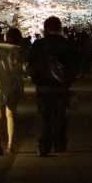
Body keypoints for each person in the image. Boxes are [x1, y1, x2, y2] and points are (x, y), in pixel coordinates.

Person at [28, 16, 80, 156]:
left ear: (45, 28)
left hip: (43, 86)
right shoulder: (67, 44)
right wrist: (68, 82)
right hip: (61, 87)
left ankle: (44, 146)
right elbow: (74, 66)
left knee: (44, 117)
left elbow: (31, 65)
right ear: (59, 27)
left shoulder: (39, 44)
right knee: (60, 115)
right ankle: (59, 143)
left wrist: (36, 79)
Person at [0, 26, 26, 155]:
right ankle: (10, 145)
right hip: (12, 86)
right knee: (10, 116)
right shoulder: (17, 50)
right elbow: (20, 70)